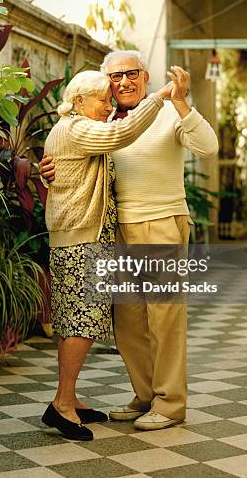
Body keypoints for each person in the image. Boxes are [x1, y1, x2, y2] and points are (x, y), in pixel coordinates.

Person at [40, 52, 218, 431]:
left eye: (131, 73)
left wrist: (182, 102)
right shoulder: (100, 121)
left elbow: (208, 147)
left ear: (145, 75)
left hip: (160, 224)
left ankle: (170, 403)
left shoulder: (168, 112)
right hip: (115, 228)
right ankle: (146, 394)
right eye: (115, 76)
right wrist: (48, 171)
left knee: (164, 318)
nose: (123, 81)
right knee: (128, 321)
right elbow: (77, 166)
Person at [40, 70, 173, 441]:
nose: (109, 105)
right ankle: (62, 405)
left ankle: (69, 398)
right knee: (82, 322)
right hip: (83, 240)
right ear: (78, 101)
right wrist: (158, 96)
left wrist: (47, 172)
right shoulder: (78, 128)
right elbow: (121, 133)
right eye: (102, 98)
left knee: (73, 320)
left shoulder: (73, 130)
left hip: (80, 238)